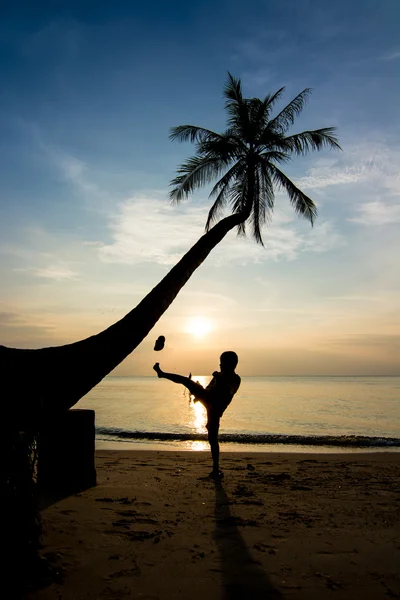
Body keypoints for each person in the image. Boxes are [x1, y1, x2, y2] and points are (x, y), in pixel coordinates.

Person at [153, 351, 241, 478]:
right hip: (208, 398)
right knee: (186, 381)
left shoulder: (235, 378)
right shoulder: (219, 375)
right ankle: (162, 374)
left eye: (223, 362)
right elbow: (209, 388)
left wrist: (218, 379)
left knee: (213, 437)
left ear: (232, 364)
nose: (220, 365)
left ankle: (216, 468)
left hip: (216, 406)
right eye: (220, 362)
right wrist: (199, 396)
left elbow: (228, 391)